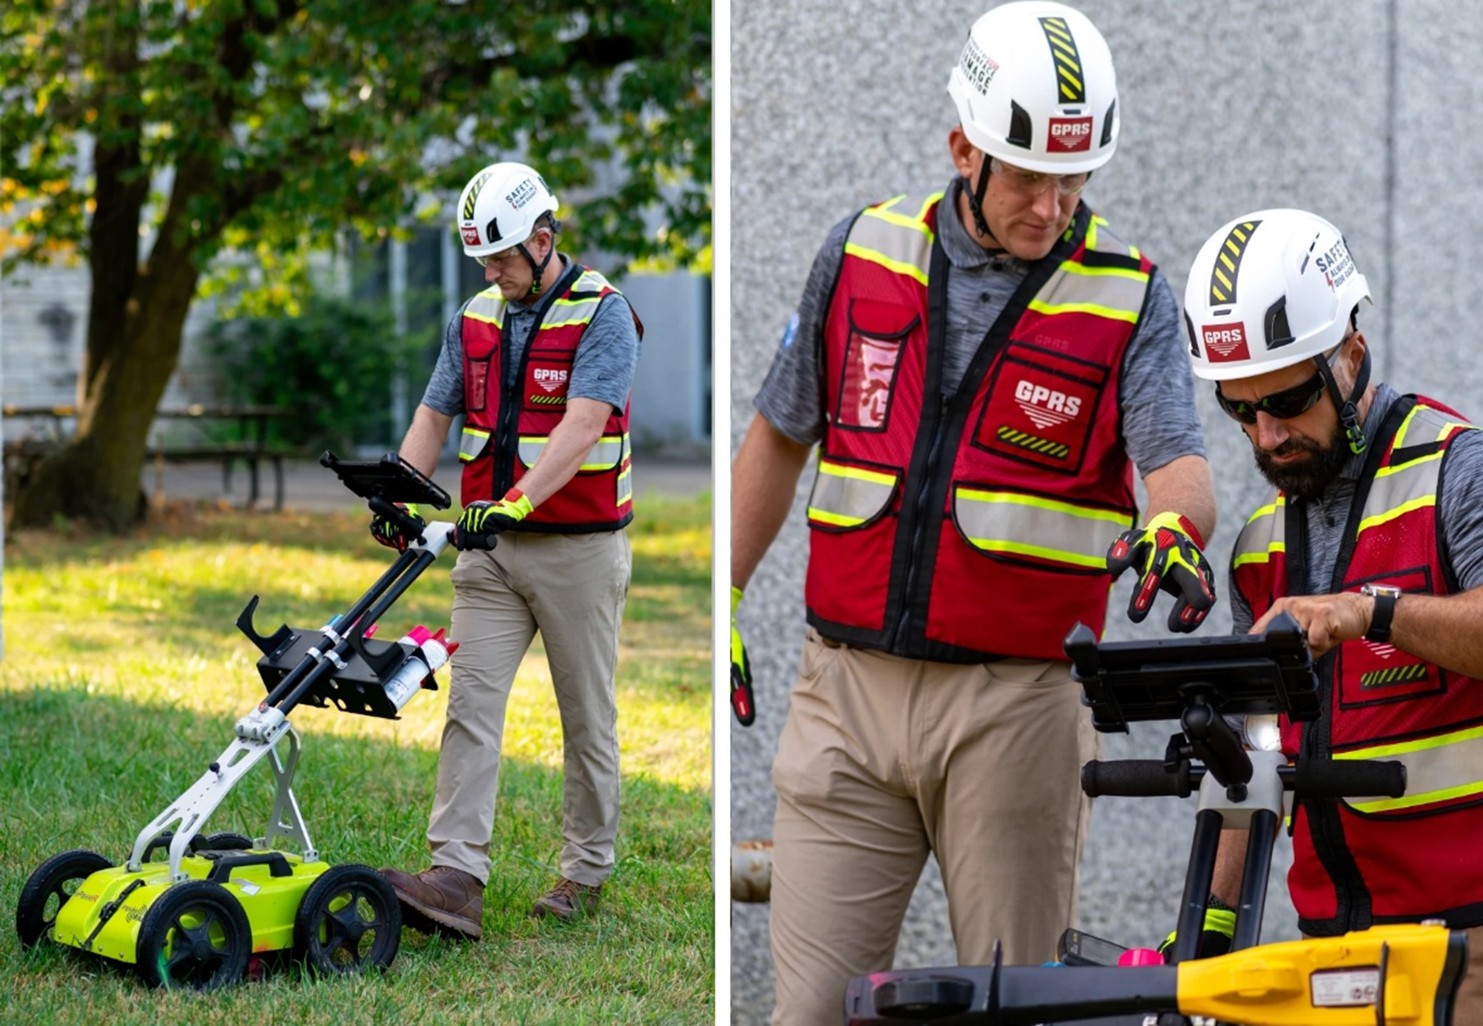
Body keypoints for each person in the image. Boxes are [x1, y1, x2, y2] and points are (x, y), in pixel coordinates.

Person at [728, 3, 1218, 1021]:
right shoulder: (859, 250)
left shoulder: (1129, 297)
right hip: (846, 697)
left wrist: (1173, 526)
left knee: (1015, 1011)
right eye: (1030, 174)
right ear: (963, 147)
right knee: (811, 1008)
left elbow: (1177, 466)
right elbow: (779, 432)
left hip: (1018, 713)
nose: (1053, 203)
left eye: (1075, 177)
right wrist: (720, 599)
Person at [1182, 207, 1483, 1016]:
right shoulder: (1255, 551)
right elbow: (1250, 771)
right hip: (1332, 955)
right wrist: (1203, 947)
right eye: (1239, 410)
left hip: (1468, 949)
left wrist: (1369, 612)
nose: (1269, 434)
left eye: (1285, 398)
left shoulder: (1456, 471)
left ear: (1351, 353)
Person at [373, 160, 642, 939]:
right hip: (488, 554)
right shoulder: (476, 317)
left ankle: (584, 872)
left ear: (544, 240)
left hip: (578, 552)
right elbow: (434, 413)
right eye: (483, 262)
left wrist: (517, 501)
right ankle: (456, 876)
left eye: (501, 259)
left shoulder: (603, 315)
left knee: (585, 717)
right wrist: (398, 490)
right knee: (470, 708)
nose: (491, 274)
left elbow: (583, 425)